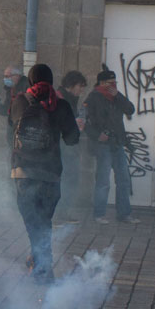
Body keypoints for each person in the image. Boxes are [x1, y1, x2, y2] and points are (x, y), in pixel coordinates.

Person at [9, 63, 79, 282]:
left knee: (33, 223)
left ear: (30, 80)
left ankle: (41, 266)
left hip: (23, 172)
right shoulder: (61, 105)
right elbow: (72, 139)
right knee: (44, 222)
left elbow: (9, 134)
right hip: (50, 174)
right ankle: (41, 267)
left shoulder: (19, 102)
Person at [84, 67, 138, 225]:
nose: (113, 85)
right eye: (110, 83)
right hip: (103, 145)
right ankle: (99, 214)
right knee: (103, 181)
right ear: (101, 83)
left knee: (123, 180)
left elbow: (130, 109)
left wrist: (118, 96)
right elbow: (84, 121)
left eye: (115, 82)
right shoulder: (93, 98)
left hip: (118, 143)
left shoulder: (116, 97)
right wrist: (97, 135)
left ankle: (124, 214)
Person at [57, 70, 89, 219]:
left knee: (71, 179)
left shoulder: (71, 99)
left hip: (70, 144)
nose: (81, 90)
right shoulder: (59, 98)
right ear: (71, 84)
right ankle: (57, 214)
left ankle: (64, 212)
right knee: (64, 179)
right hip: (61, 146)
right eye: (80, 86)